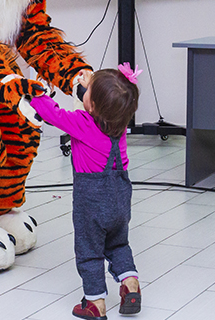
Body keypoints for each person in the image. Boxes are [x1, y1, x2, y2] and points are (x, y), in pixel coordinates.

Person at [28, 64, 143, 319]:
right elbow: (100, 104)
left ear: (93, 106)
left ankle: (95, 303)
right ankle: (130, 284)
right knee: (118, 244)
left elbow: (52, 114)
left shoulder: (82, 123)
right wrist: (89, 87)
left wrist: (35, 92)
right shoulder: (119, 122)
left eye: (88, 91)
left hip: (91, 201)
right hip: (120, 198)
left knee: (89, 252)